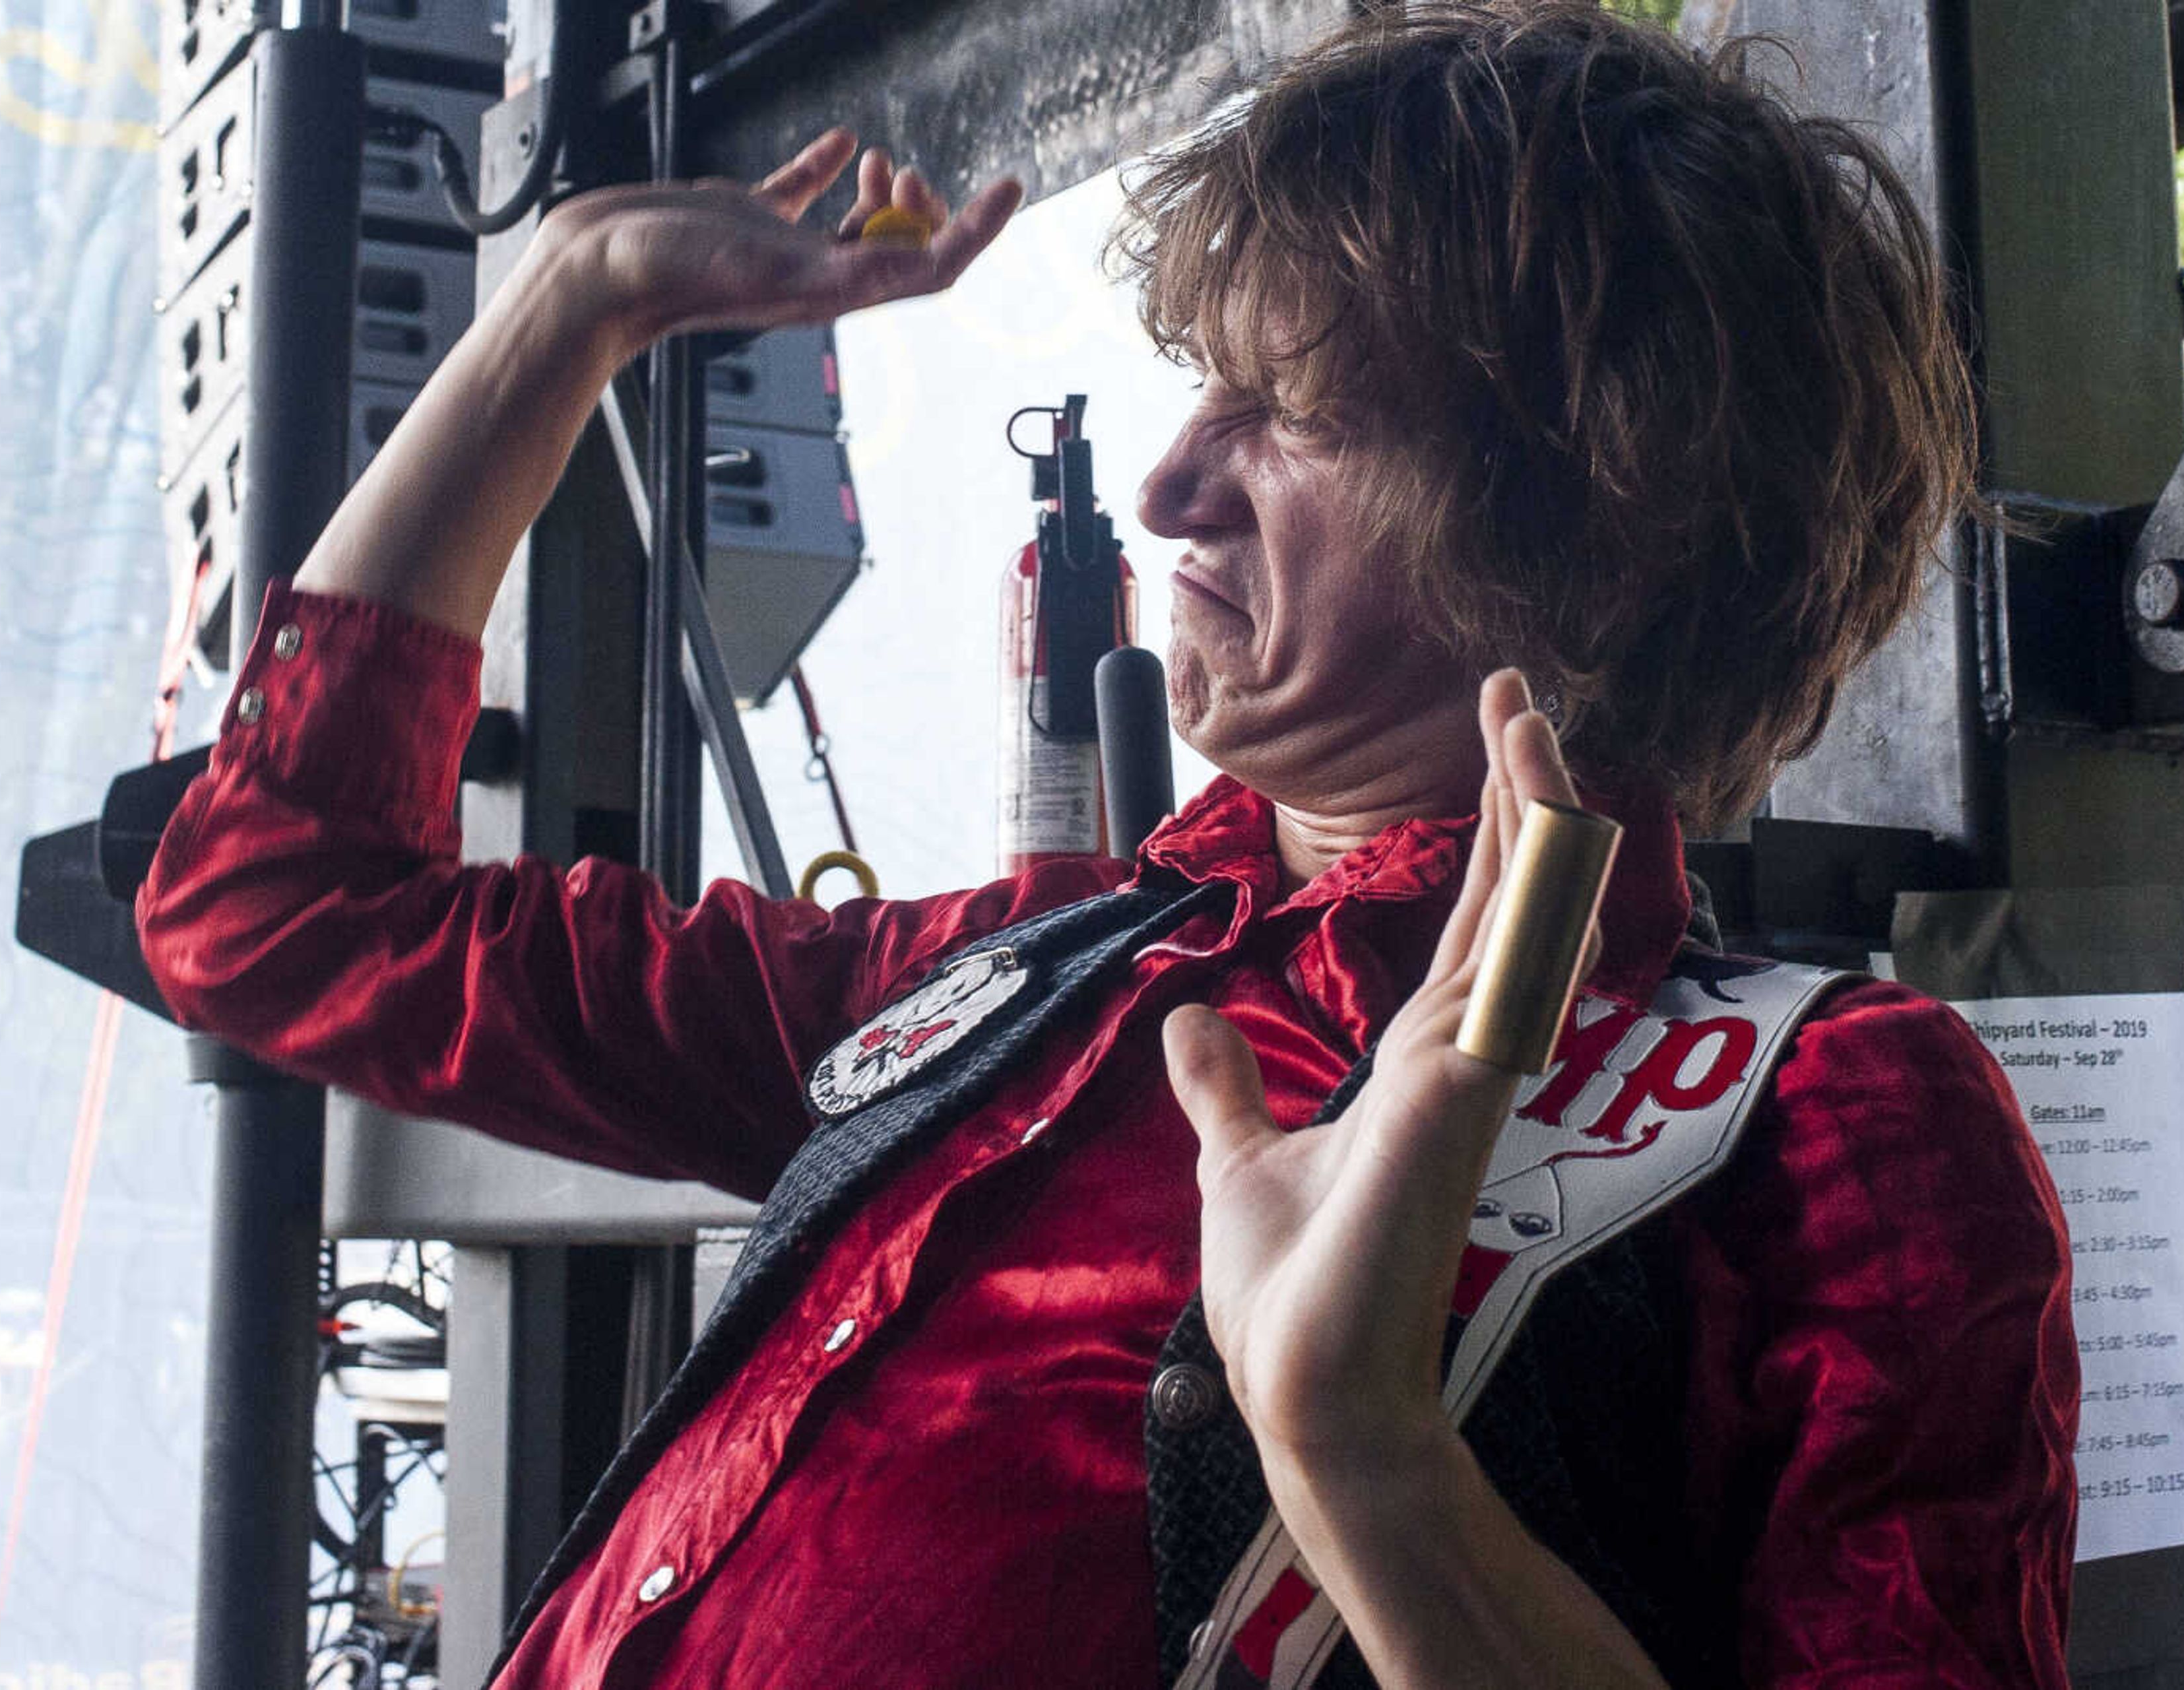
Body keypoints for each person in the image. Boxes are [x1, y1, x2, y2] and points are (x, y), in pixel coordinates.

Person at [136, 3, 2078, 1684]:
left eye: (1298, 409)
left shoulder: (1825, 1121)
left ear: (1601, 515)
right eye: (1203, 386)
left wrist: (1367, 1464)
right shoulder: (1043, 971)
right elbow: (269, 910)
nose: (1169, 479)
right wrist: (563, 310)